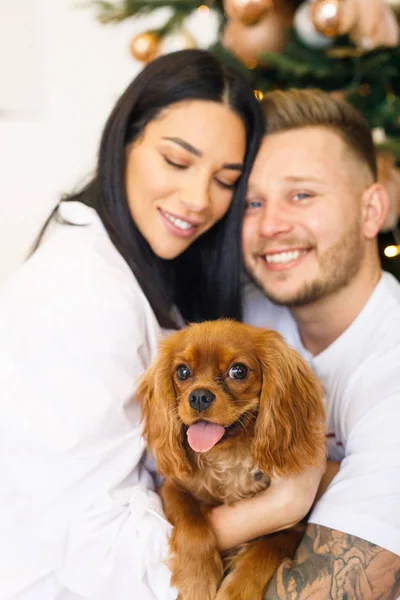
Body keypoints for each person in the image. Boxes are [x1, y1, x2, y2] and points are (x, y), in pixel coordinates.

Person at [0, 50, 323, 600]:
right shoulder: (78, 296)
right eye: (177, 161)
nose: (198, 200)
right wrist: (283, 506)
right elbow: (103, 558)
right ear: (125, 141)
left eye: (226, 180)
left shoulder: (150, 273)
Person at [242, 88, 400, 598]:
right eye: (252, 202)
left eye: (302, 195)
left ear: (371, 210)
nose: (270, 225)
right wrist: (285, 502)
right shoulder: (236, 325)